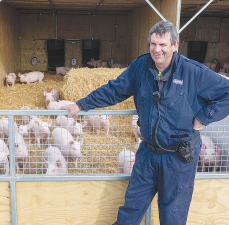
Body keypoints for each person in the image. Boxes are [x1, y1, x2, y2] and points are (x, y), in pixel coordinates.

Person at [61, 20, 229, 225]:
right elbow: (114, 90)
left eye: (163, 45)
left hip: (179, 156)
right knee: (131, 208)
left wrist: (204, 117)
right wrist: (81, 104)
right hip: (147, 152)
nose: (157, 50)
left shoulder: (193, 72)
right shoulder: (141, 65)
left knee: (173, 215)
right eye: (153, 44)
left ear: (175, 46)